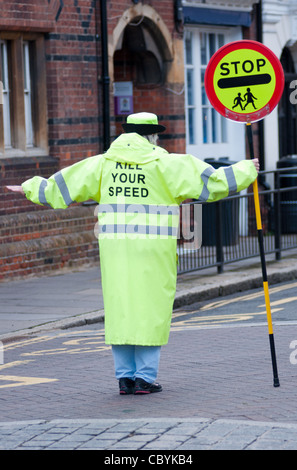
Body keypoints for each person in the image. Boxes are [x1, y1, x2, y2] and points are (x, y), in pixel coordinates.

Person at [6, 112, 259, 395]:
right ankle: (145, 379)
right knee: (151, 309)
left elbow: (62, 187)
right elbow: (213, 183)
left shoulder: (102, 164)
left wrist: (28, 187)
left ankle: (125, 377)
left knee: (121, 308)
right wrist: (247, 169)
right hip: (154, 251)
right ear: (152, 136)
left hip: (115, 250)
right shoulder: (166, 163)